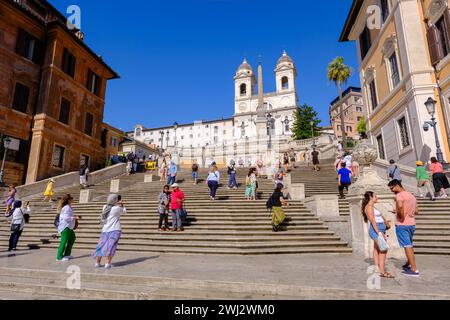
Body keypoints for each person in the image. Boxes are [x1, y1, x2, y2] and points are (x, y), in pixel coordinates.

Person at [388, 180, 420, 277]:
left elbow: (401, 206)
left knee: (407, 245)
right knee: (409, 245)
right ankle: (408, 263)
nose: (391, 190)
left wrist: (400, 216)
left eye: (392, 188)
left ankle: (414, 270)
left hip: (403, 224)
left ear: (397, 186)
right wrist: (402, 211)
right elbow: (417, 210)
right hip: (412, 224)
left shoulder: (399, 195)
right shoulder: (411, 195)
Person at [361, 192, 394, 278]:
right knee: (383, 249)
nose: (377, 197)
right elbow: (373, 221)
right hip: (377, 230)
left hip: (380, 229)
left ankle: (377, 269)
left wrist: (385, 222)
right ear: (370, 197)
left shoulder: (372, 207)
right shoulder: (368, 207)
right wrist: (379, 233)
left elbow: (377, 219)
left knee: (377, 249)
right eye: (375, 196)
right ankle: (382, 271)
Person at [93, 194, 126, 269]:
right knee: (111, 246)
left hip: (105, 230)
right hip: (115, 229)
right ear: (115, 200)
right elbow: (124, 211)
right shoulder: (117, 208)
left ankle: (97, 262)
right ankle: (108, 263)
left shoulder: (105, 207)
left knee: (101, 246)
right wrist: (122, 204)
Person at [57, 195, 82, 262]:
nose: (72, 200)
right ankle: (59, 257)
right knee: (64, 241)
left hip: (69, 227)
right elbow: (65, 218)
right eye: (71, 199)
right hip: (65, 227)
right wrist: (75, 218)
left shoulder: (69, 207)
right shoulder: (66, 207)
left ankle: (67, 254)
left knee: (72, 238)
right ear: (68, 200)